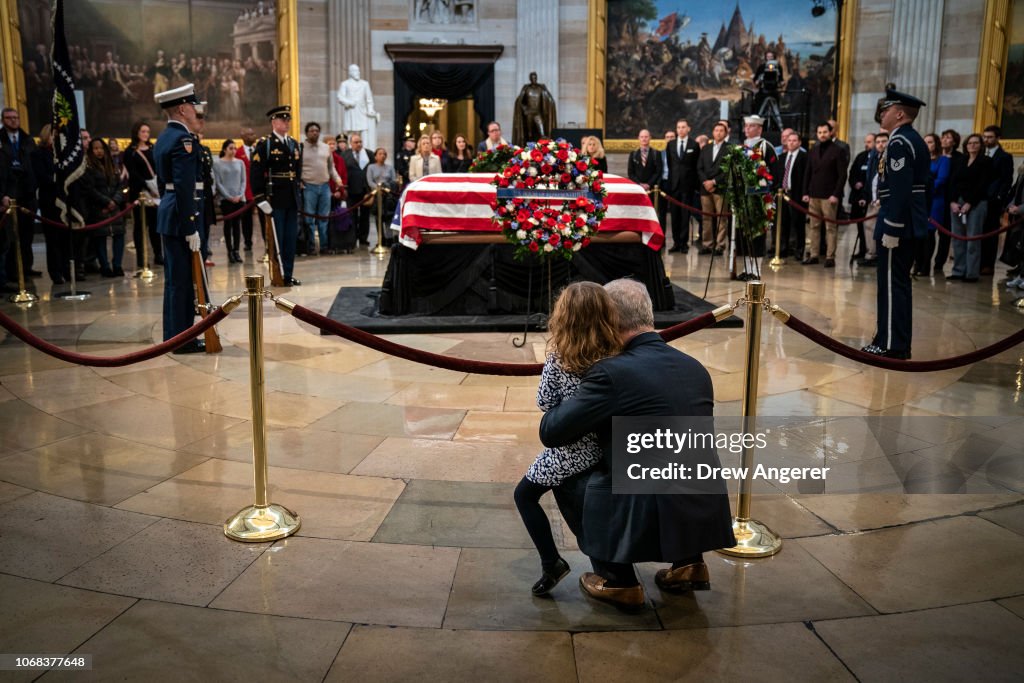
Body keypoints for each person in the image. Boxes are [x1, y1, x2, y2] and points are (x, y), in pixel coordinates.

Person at [539, 278, 736, 611]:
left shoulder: (612, 373)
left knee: (564, 470)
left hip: (646, 507)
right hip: (703, 505)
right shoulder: (694, 367)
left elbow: (552, 432)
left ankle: (618, 580)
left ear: (608, 318)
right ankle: (689, 563)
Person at [515, 282, 621, 596]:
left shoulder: (559, 360)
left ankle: (551, 562)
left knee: (524, 495)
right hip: (606, 444)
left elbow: (546, 404)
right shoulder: (616, 355)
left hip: (570, 450)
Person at [862, 88, 930, 360]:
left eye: (887, 109)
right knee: (895, 284)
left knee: (892, 285)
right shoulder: (908, 139)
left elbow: (902, 190)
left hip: (898, 225)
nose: (882, 113)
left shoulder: (901, 142)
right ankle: (890, 339)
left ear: (899, 113)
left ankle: (891, 345)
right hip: (905, 222)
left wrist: (891, 227)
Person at [153, 83, 203, 352]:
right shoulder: (183, 140)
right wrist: (190, 227)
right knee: (182, 282)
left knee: (174, 280)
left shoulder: (164, 137)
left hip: (168, 212)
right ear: (183, 108)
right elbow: (184, 188)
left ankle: (173, 335)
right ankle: (183, 340)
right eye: (193, 105)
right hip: (179, 216)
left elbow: (164, 185)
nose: (196, 110)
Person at [250, 104, 303, 286]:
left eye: (288, 119)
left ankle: (288, 274)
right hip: (274, 199)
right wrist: (260, 198)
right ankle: (277, 275)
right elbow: (256, 173)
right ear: (273, 121)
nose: (286, 123)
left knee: (290, 239)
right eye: (282, 119)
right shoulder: (265, 144)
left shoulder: (294, 144)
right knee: (276, 240)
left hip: (291, 198)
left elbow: (297, 172)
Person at [947, 134, 993, 284]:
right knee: (957, 237)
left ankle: (971, 273)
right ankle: (958, 270)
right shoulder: (960, 161)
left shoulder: (985, 162)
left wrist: (970, 203)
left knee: (973, 238)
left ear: (980, 146)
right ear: (966, 145)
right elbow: (952, 181)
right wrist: (952, 201)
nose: (972, 145)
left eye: (976, 143)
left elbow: (983, 184)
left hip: (977, 203)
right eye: (970, 143)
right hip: (957, 201)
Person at [80, 138, 128, 278]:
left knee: (119, 235)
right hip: (99, 208)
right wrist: (106, 202)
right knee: (100, 238)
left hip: (115, 208)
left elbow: (120, 186)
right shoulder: (88, 167)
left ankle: (117, 265)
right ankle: (105, 267)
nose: (99, 151)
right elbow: (90, 189)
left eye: (101, 148)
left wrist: (114, 201)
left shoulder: (113, 165)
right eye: (95, 148)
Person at [1, 107, 38, 285]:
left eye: (15, 117)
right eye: (9, 118)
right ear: (3, 120)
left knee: (26, 234)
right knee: (10, 235)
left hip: (27, 191)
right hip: (8, 193)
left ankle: (26, 267)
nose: (13, 121)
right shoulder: (1, 140)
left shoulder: (27, 140)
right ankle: (11, 272)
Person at [802, 121, 846, 267]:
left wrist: (836, 194)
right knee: (813, 226)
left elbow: (842, 175)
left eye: (825, 132)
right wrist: (806, 192)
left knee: (830, 228)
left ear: (830, 132)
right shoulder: (813, 150)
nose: (822, 135)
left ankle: (830, 257)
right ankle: (814, 255)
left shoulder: (838, 150)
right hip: (814, 194)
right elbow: (807, 172)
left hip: (829, 196)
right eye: (820, 132)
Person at [32, 124, 69, 285]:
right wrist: (58, 180)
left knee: (65, 238)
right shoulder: (38, 154)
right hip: (50, 200)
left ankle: (67, 269)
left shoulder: (62, 154)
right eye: (54, 135)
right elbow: (42, 177)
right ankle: (56, 272)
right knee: (53, 239)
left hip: (64, 200)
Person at [124, 120, 163, 270]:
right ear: (136, 133)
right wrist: (147, 186)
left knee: (155, 226)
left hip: (155, 192)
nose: (146, 134)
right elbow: (133, 173)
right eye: (143, 131)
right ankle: (141, 258)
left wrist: (157, 187)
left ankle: (158, 254)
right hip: (140, 193)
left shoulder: (153, 148)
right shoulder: (130, 152)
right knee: (140, 227)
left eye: (147, 131)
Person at [300, 121, 343, 256]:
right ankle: (311, 247)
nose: (315, 133)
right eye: (312, 131)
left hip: (324, 186)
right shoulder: (301, 148)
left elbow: (331, 167)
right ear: (307, 133)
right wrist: (299, 182)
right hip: (308, 186)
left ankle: (324, 247)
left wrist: (337, 179)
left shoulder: (325, 148)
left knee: (324, 218)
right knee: (309, 219)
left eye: (317, 131)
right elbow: (296, 168)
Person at [912, 133, 950, 277]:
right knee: (918, 234)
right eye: (925, 142)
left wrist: (924, 188)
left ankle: (925, 266)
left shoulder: (943, 160)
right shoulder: (920, 160)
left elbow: (942, 179)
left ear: (936, 144)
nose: (927, 145)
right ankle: (917, 263)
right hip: (919, 199)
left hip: (935, 199)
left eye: (930, 142)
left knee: (929, 233)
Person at [980, 125, 1015, 275]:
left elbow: (1006, 180)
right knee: (977, 231)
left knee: (990, 233)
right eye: (985, 137)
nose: (986, 140)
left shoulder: (1004, 157)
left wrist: (1000, 197)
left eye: (990, 137)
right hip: (977, 199)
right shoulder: (979, 153)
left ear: (998, 138)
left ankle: (987, 264)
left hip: (993, 200)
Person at [665, 119, 699, 253]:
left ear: (688, 128)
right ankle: (676, 242)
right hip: (674, 186)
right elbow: (670, 164)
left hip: (687, 186)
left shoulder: (694, 145)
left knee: (685, 215)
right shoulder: (671, 145)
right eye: (678, 127)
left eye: (683, 127)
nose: (680, 129)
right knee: (674, 216)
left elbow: (696, 166)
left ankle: (684, 243)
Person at [697, 121, 731, 256]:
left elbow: (728, 169)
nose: (718, 133)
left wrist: (714, 181)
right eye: (716, 130)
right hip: (705, 188)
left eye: (721, 131)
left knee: (722, 218)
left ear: (725, 133)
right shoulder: (706, 148)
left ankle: (720, 245)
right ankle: (707, 244)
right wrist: (706, 182)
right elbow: (699, 167)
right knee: (706, 218)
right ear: (713, 132)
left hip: (720, 188)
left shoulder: (729, 148)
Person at [774, 130, 807, 258]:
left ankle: (799, 250)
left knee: (798, 224)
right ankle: (783, 248)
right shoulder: (782, 157)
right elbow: (778, 175)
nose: (791, 143)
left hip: (796, 195)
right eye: (789, 140)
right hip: (782, 194)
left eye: (794, 140)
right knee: (783, 223)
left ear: (799, 142)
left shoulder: (804, 157)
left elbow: (805, 176)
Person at [213, 139, 246, 264]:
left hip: (238, 198)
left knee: (237, 225)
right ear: (224, 149)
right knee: (228, 225)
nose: (233, 151)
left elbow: (243, 180)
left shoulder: (240, 162)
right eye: (230, 148)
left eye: (234, 148)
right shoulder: (218, 164)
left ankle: (237, 250)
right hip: (225, 199)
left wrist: (239, 195)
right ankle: (230, 250)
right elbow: (218, 183)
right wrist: (228, 196)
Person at [337, 64, 380, 149]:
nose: (358, 72)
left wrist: (370, 109)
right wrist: (349, 102)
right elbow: (340, 97)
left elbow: (369, 99)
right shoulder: (345, 84)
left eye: (358, 70)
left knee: (364, 131)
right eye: (355, 71)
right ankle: (350, 149)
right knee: (351, 131)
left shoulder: (364, 84)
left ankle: (365, 149)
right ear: (350, 72)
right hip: (351, 111)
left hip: (362, 111)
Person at [848, 133, 876, 262]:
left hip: (870, 197)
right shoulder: (861, 156)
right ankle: (862, 249)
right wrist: (855, 183)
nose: (866, 144)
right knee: (860, 225)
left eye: (869, 142)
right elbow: (852, 173)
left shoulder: (877, 158)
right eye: (866, 141)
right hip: (858, 195)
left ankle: (872, 252)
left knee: (870, 226)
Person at [342, 133, 372, 248]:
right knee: (352, 215)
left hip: (365, 189)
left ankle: (363, 238)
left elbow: (372, 169)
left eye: (360, 142)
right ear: (350, 143)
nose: (359, 144)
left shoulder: (368, 154)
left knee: (365, 216)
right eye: (356, 142)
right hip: (351, 190)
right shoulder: (345, 155)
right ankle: (353, 238)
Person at [512, 72, 557, 146]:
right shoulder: (526, 89)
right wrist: (524, 109)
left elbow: (548, 99)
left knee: (542, 132)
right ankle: (529, 147)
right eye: (533, 78)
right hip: (529, 113)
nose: (534, 79)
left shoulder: (541, 88)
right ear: (530, 79)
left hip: (537, 113)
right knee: (529, 133)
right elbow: (520, 101)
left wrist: (550, 102)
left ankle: (543, 147)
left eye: (535, 78)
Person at [365, 147, 397, 246]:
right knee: (378, 217)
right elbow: (370, 181)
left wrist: (386, 188)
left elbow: (393, 180)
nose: (382, 155)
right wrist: (379, 188)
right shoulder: (371, 167)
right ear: (375, 156)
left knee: (388, 217)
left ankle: (389, 238)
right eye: (380, 154)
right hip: (377, 195)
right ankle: (380, 239)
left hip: (388, 195)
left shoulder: (390, 167)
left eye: (384, 154)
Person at [235, 125, 259, 252]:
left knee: (263, 218)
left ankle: (267, 243)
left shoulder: (259, 150)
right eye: (250, 134)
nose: (253, 137)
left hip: (259, 190)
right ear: (243, 137)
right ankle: (248, 242)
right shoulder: (238, 153)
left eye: (254, 134)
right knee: (246, 219)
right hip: (245, 190)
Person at [626, 129, 662, 195]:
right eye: (642, 137)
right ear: (638, 138)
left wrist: (649, 184)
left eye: (646, 137)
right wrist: (640, 184)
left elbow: (658, 171)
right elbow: (630, 173)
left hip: (652, 189)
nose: (644, 139)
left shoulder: (656, 153)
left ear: (650, 138)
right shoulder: (633, 154)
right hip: (637, 188)